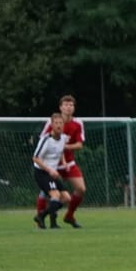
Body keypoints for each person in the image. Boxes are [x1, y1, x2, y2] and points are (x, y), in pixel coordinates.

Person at [35, 95, 86, 228]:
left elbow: (79, 145)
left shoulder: (77, 123)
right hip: (51, 166)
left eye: (71, 105)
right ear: (60, 107)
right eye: (66, 105)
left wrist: (65, 148)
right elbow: (45, 141)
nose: (68, 107)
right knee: (47, 193)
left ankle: (69, 216)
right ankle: (41, 219)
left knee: (81, 189)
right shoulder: (52, 122)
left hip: (68, 163)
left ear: (74, 108)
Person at [31, 111, 69, 230]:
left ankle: (42, 217)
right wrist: (49, 170)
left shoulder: (63, 138)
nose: (59, 125)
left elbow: (61, 151)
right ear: (51, 125)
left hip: (52, 173)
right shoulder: (46, 140)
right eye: (56, 123)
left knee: (66, 198)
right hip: (41, 172)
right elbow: (35, 158)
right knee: (55, 195)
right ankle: (50, 222)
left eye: (61, 123)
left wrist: (64, 162)